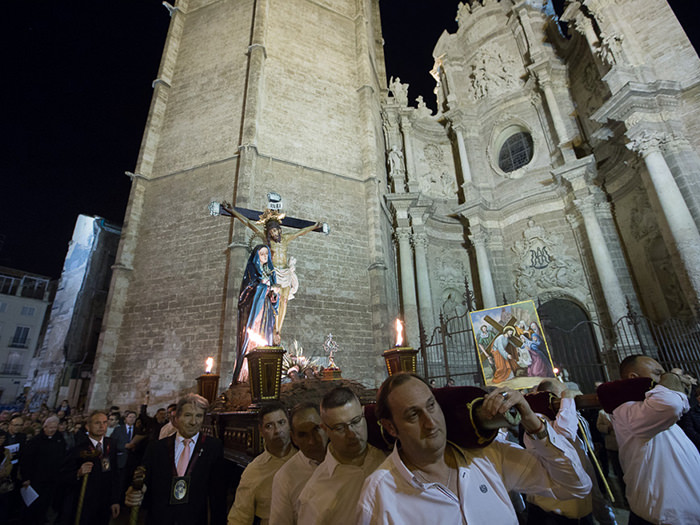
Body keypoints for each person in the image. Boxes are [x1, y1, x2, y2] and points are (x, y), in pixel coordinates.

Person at [358, 372, 592, 524]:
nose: (430, 423)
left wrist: (534, 425)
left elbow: (574, 487)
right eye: (412, 415)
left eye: (431, 406)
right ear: (390, 427)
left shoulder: (488, 457)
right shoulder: (380, 494)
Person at [610, 355, 700, 524]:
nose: (662, 378)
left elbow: (681, 404)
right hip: (664, 519)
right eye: (658, 374)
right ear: (633, 378)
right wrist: (673, 375)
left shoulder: (652, 412)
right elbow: (670, 404)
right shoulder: (626, 411)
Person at [125, 393, 226, 524]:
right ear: (177, 418)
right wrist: (136, 492)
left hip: (194, 520)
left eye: (199, 416)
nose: (193, 422)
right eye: (188, 415)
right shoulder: (156, 448)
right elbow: (145, 481)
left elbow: (217, 494)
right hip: (159, 519)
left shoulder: (213, 447)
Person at [225, 204, 321, 340]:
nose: (274, 234)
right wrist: (233, 211)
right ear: (268, 233)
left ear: (279, 230)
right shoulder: (265, 239)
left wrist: (314, 226)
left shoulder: (286, 239)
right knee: (275, 301)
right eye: (272, 232)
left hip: (286, 273)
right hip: (275, 273)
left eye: (276, 231)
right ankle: (275, 329)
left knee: (285, 301)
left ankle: (278, 330)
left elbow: (300, 232)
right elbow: (248, 223)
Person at [529, 379, 616, 525]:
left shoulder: (571, 415)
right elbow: (565, 432)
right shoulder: (537, 420)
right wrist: (567, 397)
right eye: (561, 395)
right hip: (551, 512)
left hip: (579, 506)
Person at [297, 387, 385, 525]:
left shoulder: (388, 452)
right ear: (325, 430)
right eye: (340, 428)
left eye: (356, 421)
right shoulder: (315, 493)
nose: (352, 434)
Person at [228, 401, 296, 525]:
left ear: (289, 424)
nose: (277, 431)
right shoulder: (254, 471)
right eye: (269, 426)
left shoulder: (306, 458)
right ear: (261, 430)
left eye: (281, 423)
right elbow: (239, 518)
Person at [269, 402, 328, 525]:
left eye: (316, 429)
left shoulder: (346, 458)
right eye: (303, 435)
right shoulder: (285, 478)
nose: (312, 441)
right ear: (294, 438)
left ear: (326, 427)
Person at [234, 245, 279, 383]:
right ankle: (248, 373)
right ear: (256, 256)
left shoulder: (271, 272)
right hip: (255, 310)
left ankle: (266, 371)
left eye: (267, 254)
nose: (265, 256)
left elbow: (274, 301)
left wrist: (274, 294)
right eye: (262, 254)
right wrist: (263, 286)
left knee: (267, 336)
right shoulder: (251, 271)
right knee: (255, 336)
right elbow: (245, 293)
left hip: (267, 310)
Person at [68, 411, 120, 525]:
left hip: (104, 501)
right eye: (97, 423)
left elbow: (114, 474)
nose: (102, 426)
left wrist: (115, 500)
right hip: (84, 500)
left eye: (104, 422)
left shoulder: (111, 444)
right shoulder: (78, 447)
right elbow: (65, 475)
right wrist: (78, 473)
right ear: (88, 426)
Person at [19, 416, 67, 524]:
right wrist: (26, 477)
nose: (52, 430)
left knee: (45, 504)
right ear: (44, 427)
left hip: (51, 479)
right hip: (36, 479)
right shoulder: (35, 441)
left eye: (55, 427)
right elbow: (26, 461)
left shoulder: (59, 440)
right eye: (50, 427)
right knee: (32, 505)